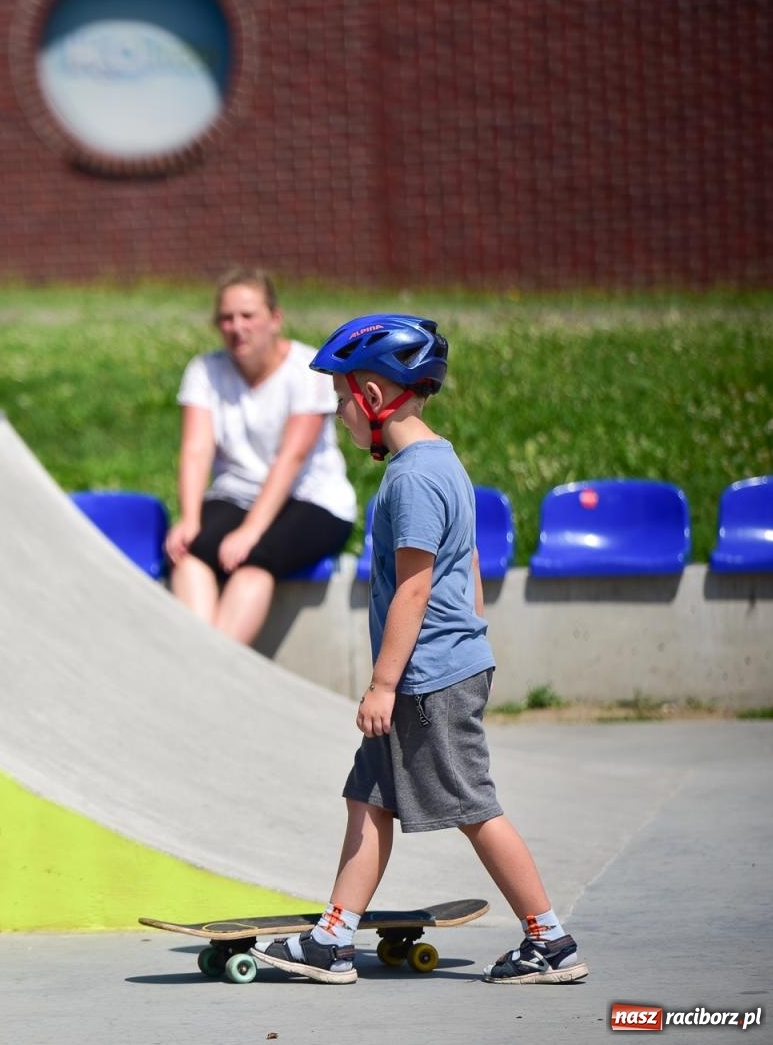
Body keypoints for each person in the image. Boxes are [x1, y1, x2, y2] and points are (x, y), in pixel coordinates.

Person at [250, 313, 588, 986]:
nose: (339, 414)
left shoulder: (409, 480)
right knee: (369, 798)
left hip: (427, 678)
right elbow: (468, 575)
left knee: (472, 808)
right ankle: (334, 939)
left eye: (342, 399)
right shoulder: (442, 463)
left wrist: (382, 684)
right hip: (435, 669)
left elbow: (414, 590)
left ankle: (550, 941)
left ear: (373, 399)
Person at [164, 268, 356, 647]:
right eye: (226, 318)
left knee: (255, 559)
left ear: (275, 319)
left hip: (312, 498)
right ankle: (195, 661)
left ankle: (217, 669)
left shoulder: (309, 369)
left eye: (248, 315)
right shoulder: (205, 370)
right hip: (237, 493)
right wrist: (188, 517)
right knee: (189, 553)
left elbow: (292, 457)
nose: (237, 327)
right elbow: (196, 449)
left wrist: (251, 532)